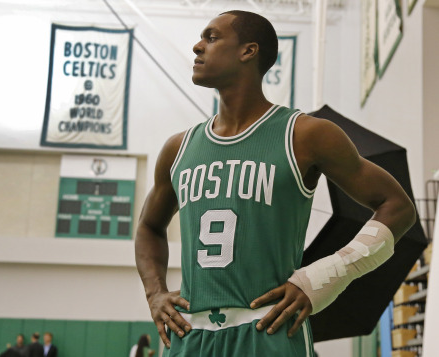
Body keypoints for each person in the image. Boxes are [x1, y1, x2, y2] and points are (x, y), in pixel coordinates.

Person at [134, 9, 416, 357]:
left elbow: (398, 207)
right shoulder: (178, 148)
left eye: (211, 37)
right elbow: (148, 226)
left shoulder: (305, 134)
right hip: (191, 334)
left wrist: (326, 275)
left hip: (269, 328)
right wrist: (155, 294)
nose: (197, 47)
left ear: (248, 51)